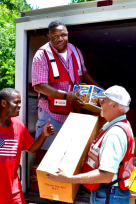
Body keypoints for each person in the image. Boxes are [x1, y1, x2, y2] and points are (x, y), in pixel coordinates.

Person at [46, 85, 134, 204]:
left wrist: (69, 179)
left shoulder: (115, 133)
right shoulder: (112, 127)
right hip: (103, 196)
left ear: (115, 106)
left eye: (104, 100)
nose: (100, 103)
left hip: (108, 195)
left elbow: (106, 175)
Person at [31, 20, 99, 161]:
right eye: (55, 36)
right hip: (51, 113)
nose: (60, 39)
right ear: (49, 37)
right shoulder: (41, 55)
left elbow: (84, 73)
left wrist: (100, 90)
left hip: (73, 113)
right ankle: (42, 182)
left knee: (69, 155)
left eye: (63, 35)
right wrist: (66, 95)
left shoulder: (75, 50)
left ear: (67, 34)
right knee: (46, 154)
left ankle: (64, 183)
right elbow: (39, 85)